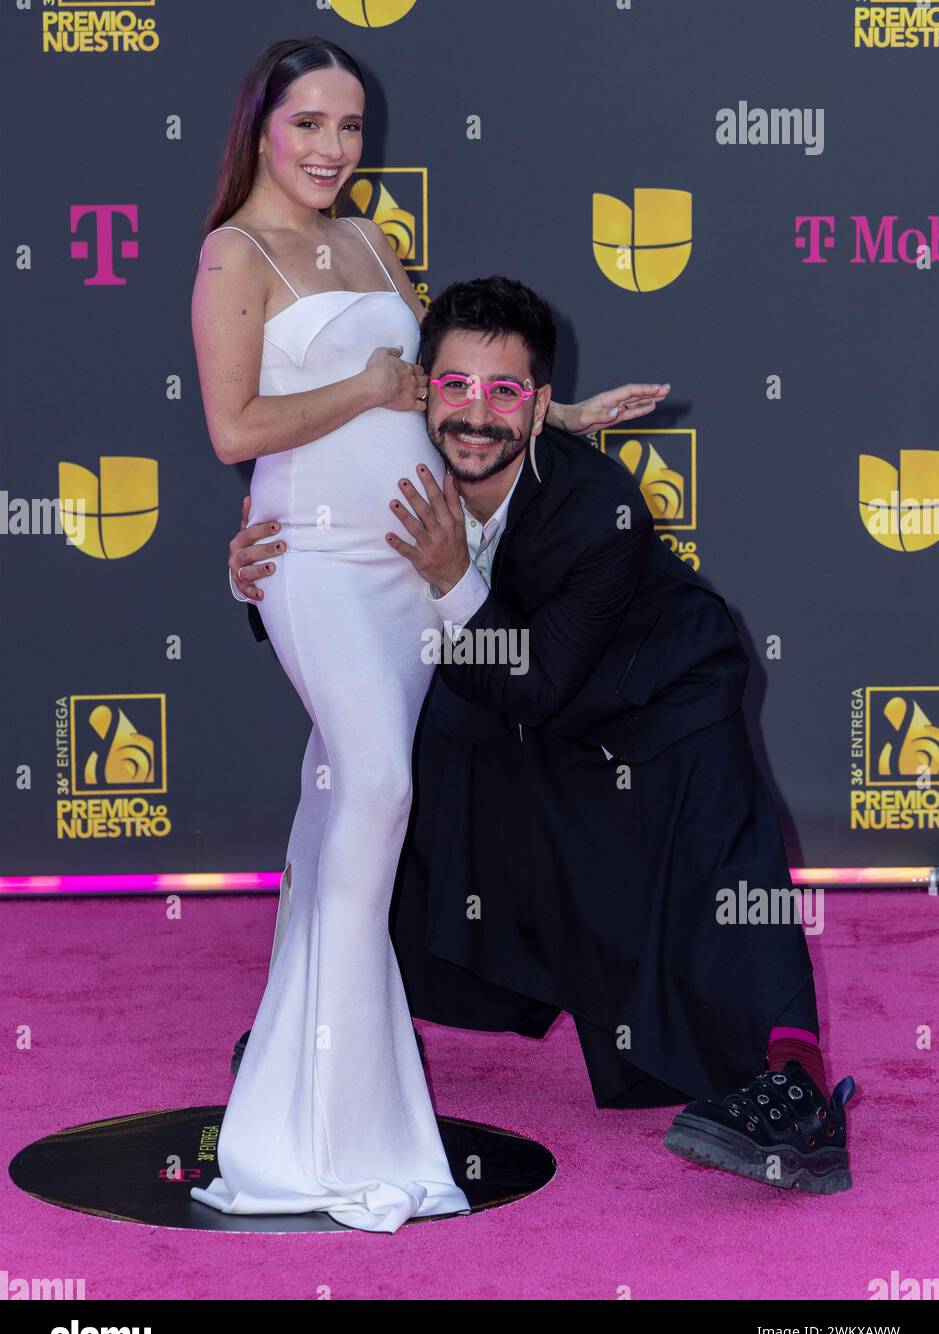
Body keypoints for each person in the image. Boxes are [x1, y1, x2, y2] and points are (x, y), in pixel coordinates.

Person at [230, 274, 856, 1196]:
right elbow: (332, 577)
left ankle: (799, 1098)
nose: (476, 416)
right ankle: (317, 1024)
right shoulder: (398, 466)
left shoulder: (599, 510)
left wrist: (450, 579)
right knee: (390, 778)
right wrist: (256, 581)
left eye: (505, 392)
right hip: (517, 717)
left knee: (732, 888)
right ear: (422, 389)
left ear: (540, 405)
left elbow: (540, 681)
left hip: (661, 706)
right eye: (455, 387)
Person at [191, 37, 664, 1233]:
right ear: (261, 127)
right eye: (308, 125)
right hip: (316, 566)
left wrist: (551, 411)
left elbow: (442, 380)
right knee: (381, 790)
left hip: (411, 567)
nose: (331, 150)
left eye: (349, 129)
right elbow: (233, 427)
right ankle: (334, 1132)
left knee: (329, 811)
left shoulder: (363, 238)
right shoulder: (231, 256)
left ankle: (296, 1099)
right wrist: (357, 393)